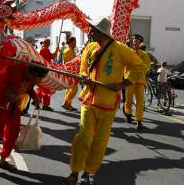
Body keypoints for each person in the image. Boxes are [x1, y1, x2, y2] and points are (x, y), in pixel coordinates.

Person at [62, 17, 145, 185]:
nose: (90, 32)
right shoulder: (90, 48)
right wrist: (84, 76)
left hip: (108, 104)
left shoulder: (120, 50)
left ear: (101, 33)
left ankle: (88, 171)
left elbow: (140, 66)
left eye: (93, 30)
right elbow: (83, 69)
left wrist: (124, 83)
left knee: (99, 141)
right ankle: (74, 171)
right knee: (84, 137)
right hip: (89, 101)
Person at [0, 60, 48, 171]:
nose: (38, 82)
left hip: (13, 106)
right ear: (30, 73)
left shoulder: (31, 77)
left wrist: (35, 97)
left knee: (14, 131)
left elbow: (29, 88)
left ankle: (2, 160)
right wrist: (8, 93)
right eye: (37, 79)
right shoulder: (12, 69)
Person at [124, 34, 151, 130]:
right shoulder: (127, 52)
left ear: (140, 43)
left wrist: (137, 65)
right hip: (129, 81)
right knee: (129, 100)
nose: (135, 43)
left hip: (139, 81)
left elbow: (146, 67)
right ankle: (128, 113)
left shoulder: (144, 54)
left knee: (140, 102)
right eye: (133, 41)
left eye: (137, 42)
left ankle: (139, 120)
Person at [37, 38, 59, 111]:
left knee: (42, 87)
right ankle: (45, 105)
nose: (49, 44)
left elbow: (52, 57)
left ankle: (37, 101)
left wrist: (56, 50)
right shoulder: (45, 49)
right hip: (45, 70)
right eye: (48, 43)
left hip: (42, 70)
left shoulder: (43, 49)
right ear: (46, 43)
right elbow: (52, 57)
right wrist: (56, 50)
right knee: (46, 88)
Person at [62, 37, 78, 111]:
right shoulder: (68, 51)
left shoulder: (71, 50)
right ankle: (66, 103)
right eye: (74, 43)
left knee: (70, 89)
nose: (75, 44)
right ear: (70, 42)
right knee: (74, 89)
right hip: (70, 72)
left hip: (72, 72)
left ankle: (68, 104)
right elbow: (69, 63)